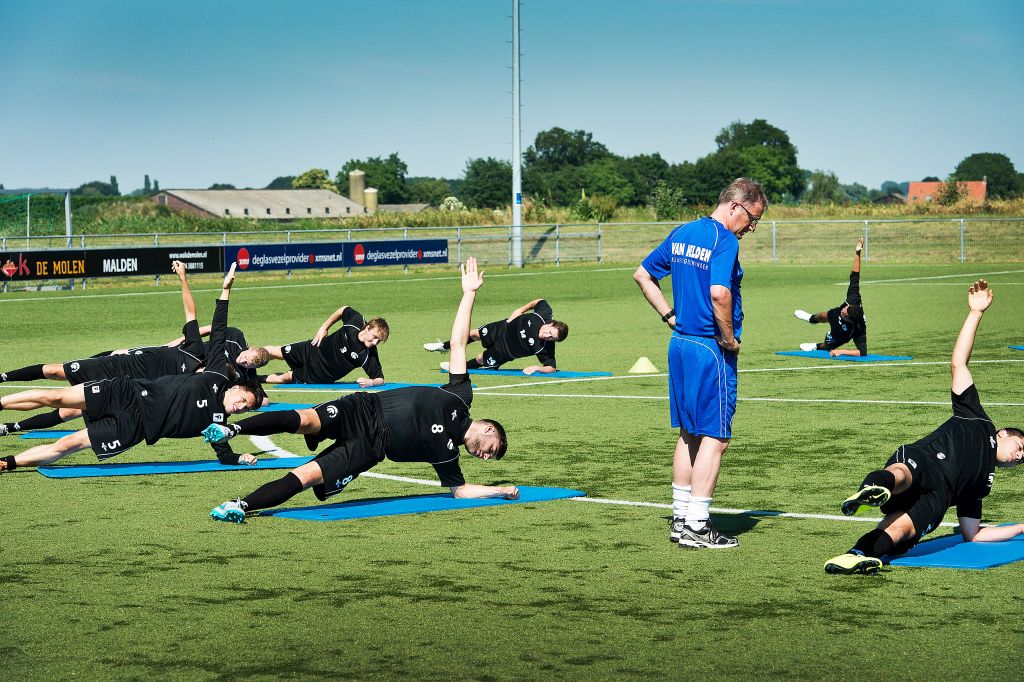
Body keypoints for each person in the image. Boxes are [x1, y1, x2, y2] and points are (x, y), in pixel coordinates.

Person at [204, 256, 518, 523]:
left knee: (309, 475)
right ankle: (233, 429)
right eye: (490, 450)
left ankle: (240, 505)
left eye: (488, 459)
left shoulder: (448, 454)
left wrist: (500, 490)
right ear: (489, 428)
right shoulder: (461, 396)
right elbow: (460, 342)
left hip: (371, 447)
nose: (484, 456)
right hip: (364, 409)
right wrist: (469, 295)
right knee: (305, 420)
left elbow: (460, 490)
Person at [825, 279, 1024, 574]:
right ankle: (874, 488)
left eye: (1022, 458)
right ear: (1003, 433)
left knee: (902, 530)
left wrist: (1021, 527)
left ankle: (856, 553)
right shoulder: (978, 418)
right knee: (902, 474)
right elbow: (959, 363)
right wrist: (976, 313)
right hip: (928, 461)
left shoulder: (983, 486)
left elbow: (974, 534)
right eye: (1020, 447)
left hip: (938, 498)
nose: (1019, 456)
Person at [0, 264, 266, 473]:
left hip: (132, 427)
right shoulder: (217, 374)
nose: (241, 406)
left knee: (68, 444)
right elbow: (218, 330)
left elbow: (224, 453)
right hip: (126, 390)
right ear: (236, 388)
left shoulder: (218, 422)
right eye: (243, 399)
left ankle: (8, 462)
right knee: (54, 397)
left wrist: (240, 458)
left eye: (246, 408)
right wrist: (226, 289)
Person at [633, 177, 767, 549]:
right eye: (753, 218)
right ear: (736, 206)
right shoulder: (723, 239)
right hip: (710, 349)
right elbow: (719, 292)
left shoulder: (683, 231)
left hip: (680, 344)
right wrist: (728, 338)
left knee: (689, 433)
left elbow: (642, 274)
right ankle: (697, 524)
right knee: (717, 437)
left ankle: (680, 519)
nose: (752, 228)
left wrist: (669, 316)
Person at [0, 261, 209, 436]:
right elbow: (190, 317)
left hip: (119, 389)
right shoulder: (193, 350)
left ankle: (9, 428)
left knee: (64, 410)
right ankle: (3, 377)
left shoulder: (192, 384)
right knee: (56, 371)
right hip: (112, 365)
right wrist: (183, 277)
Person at [423, 298, 568, 375]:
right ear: (551, 324)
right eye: (549, 333)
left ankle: (456, 367)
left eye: (551, 338)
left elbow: (551, 368)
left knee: (481, 358)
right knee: (474, 333)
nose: (547, 336)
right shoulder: (544, 315)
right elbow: (539, 301)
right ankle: (444, 346)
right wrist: (520, 310)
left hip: (504, 351)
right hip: (502, 328)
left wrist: (536, 367)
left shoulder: (545, 347)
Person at [257, 305, 388, 387]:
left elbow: (380, 379)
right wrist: (324, 327)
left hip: (318, 375)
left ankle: (253, 378)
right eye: (375, 337)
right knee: (275, 351)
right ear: (368, 328)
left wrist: (371, 382)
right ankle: (245, 357)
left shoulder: (368, 355)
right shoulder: (355, 322)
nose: (375, 342)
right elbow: (343, 309)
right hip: (313, 349)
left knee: (285, 377)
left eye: (379, 341)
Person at [794, 239, 867, 357]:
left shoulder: (858, 329)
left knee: (828, 345)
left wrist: (841, 351)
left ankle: (816, 346)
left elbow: (862, 352)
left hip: (842, 333)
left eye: (845, 312)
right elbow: (855, 276)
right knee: (824, 315)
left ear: (849, 320)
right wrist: (858, 253)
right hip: (835, 316)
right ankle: (811, 319)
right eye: (846, 308)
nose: (844, 309)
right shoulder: (853, 300)